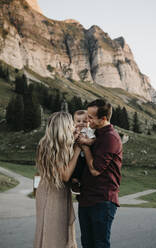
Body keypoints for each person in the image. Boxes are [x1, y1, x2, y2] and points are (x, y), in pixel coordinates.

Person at [77, 99, 123, 248]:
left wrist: (85, 148)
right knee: (87, 243)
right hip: (87, 198)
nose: (87, 120)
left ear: (103, 119)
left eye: (91, 117)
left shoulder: (110, 138)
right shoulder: (95, 134)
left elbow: (95, 170)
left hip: (102, 199)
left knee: (100, 244)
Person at [34, 112, 81, 248]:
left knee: (47, 230)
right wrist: (77, 149)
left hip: (46, 191)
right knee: (54, 235)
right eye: (72, 124)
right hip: (54, 195)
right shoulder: (54, 148)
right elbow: (65, 175)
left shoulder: (46, 144)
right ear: (64, 127)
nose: (74, 127)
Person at [71, 110, 95, 195]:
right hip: (75, 155)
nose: (81, 123)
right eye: (78, 121)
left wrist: (84, 140)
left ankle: (82, 183)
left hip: (85, 155)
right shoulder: (73, 130)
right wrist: (75, 136)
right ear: (74, 122)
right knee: (75, 167)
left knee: (85, 168)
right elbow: (70, 141)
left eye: (84, 121)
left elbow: (92, 141)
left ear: (88, 121)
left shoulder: (88, 130)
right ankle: (74, 182)